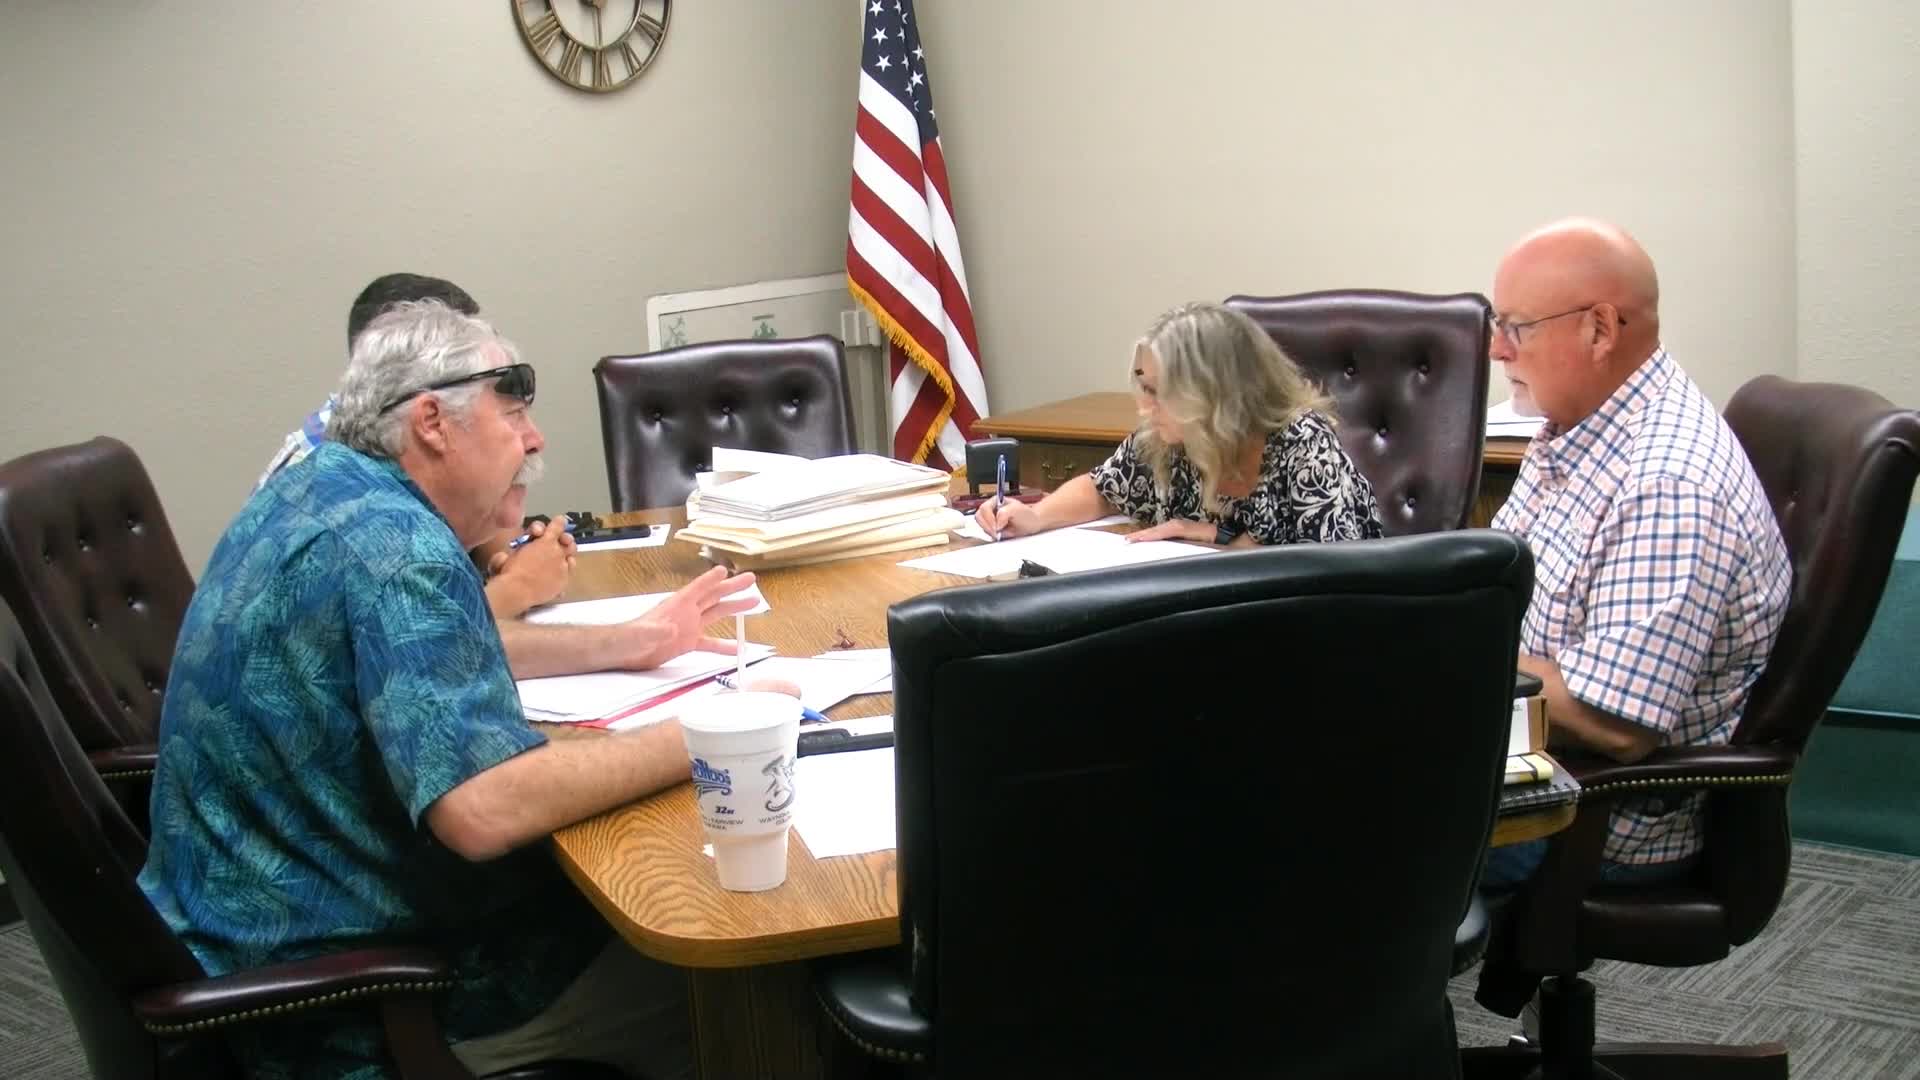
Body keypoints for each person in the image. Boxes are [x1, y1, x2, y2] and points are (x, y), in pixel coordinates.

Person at [139, 301, 762, 1079]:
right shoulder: (399, 550)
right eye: (513, 410)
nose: (534, 438)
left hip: (247, 937)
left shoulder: (321, 487)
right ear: (432, 421)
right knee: (746, 984)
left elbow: (432, 662)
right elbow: (484, 809)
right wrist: (714, 732)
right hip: (356, 1005)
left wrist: (631, 647)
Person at [1479, 219, 1792, 891]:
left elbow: (1614, 725)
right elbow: (1500, 589)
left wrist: (1449, 651)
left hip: (1591, 814)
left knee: (1317, 819)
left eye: (1516, 327)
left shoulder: (1667, 484)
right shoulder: (1577, 428)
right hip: (1525, 751)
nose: (1496, 349)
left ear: (1599, 329)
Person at [976, 301, 1383, 546]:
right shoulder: (1169, 439)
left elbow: (1335, 572)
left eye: (1160, 392)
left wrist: (1221, 538)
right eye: (1145, 389)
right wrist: (1036, 516)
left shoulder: (1302, 441)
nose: (1145, 408)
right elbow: (1103, 488)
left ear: (1214, 394)